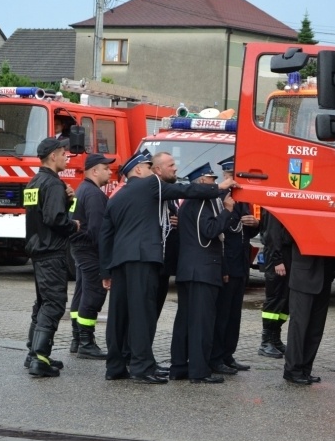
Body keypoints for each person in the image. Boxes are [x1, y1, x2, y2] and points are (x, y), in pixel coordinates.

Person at [98, 152, 235, 384]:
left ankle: (115, 366)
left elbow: (105, 235)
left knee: (118, 316)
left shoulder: (117, 196)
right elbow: (187, 190)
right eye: (149, 166)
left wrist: (105, 271)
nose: (155, 171)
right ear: (139, 171)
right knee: (142, 314)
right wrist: (220, 188)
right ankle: (142, 368)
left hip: (120, 261)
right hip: (142, 259)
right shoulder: (151, 185)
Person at [169, 163, 235, 383]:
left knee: (185, 321)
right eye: (210, 180)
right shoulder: (201, 202)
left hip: (191, 270)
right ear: (201, 183)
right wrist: (227, 211)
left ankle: (179, 366)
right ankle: (199, 371)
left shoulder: (191, 203)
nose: (214, 183)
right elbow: (210, 231)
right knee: (201, 323)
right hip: (203, 270)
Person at [23, 137, 80, 377]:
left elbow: (39, 215)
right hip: (52, 252)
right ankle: (40, 359)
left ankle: (34, 353)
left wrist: (68, 200)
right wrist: (73, 224)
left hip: (37, 250)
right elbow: (54, 219)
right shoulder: (53, 184)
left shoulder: (34, 182)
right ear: (53, 156)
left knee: (44, 303)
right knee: (55, 304)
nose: (67, 157)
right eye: (63, 153)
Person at [210, 156, 260, 372]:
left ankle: (228, 354)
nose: (232, 180)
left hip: (240, 263)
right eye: (229, 176)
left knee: (234, 315)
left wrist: (255, 224)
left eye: (234, 176)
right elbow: (217, 234)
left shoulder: (243, 199)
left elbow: (247, 232)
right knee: (221, 315)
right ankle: (217, 357)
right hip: (226, 265)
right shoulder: (220, 199)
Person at [68, 153, 116, 360]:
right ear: (95, 171)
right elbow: (99, 230)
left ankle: (77, 339)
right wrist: (107, 257)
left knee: (81, 292)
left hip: (79, 249)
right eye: (106, 168)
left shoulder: (81, 189)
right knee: (94, 294)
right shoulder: (95, 195)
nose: (110, 171)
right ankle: (86, 343)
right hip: (91, 250)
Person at [283, 244, 335, 385]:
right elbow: (283, 237)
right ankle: (292, 370)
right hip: (303, 275)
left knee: (315, 328)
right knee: (299, 326)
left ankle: (305, 369)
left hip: (324, 276)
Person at [149, 151, 180, 322]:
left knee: (155, 312)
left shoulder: (171, 193)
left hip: (165, 266)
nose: (175, 169)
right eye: (171, 165)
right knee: (146, 311)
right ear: (158, 170)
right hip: (152, 263)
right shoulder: (152, 192)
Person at [258, 209, 292, 359]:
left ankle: (275, 338)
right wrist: (277, 260)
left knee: (285, 301)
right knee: (274, 300)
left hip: (287, 255)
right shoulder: (274, 206)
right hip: (276, 257)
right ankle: (266, 342)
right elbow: (272, 235)